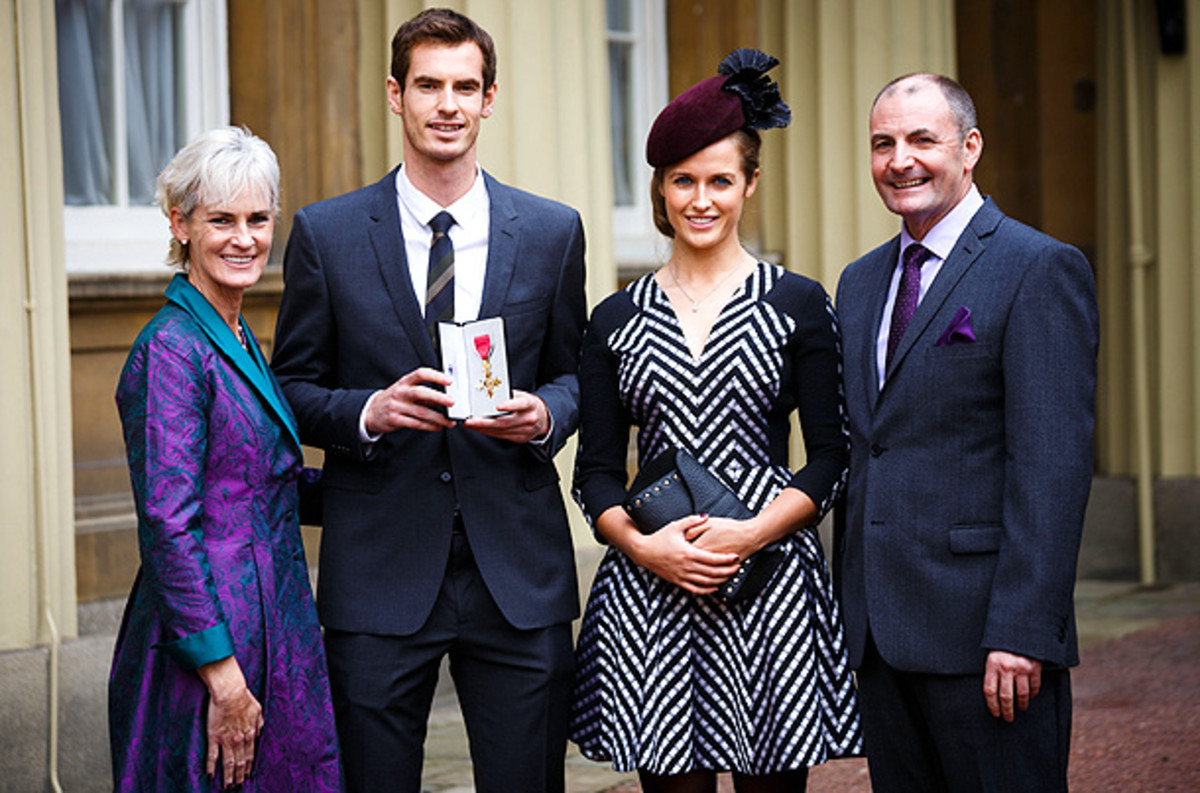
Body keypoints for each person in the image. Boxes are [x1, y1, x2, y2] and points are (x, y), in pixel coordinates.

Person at [269, 8, 586, 793]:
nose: (447, 104)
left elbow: (580, 376)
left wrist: (546, 415)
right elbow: (290, 390)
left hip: (516, 571)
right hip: (377, 570)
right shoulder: (327, 232)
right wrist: (366, 413)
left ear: (489, 99)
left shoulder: (551, 230)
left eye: (464, 87)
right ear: (395, 94)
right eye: (429, 85)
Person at [570, 50, 863, 793]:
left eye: (720, 181)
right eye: (683, 181)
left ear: (750, 184)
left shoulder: (796, 302)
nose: (701, 200)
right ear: (660, 191)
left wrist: (752, 532)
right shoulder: (614, 318)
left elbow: (831, 455)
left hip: (770, 585)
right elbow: (596, 472)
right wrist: (643, 545)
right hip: (652, 591)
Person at [834, 73, 1100, 793]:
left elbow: (1052, 465)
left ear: (970, 146)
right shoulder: (859, 283)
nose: (900, 159)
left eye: (923, 139)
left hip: (987, 639)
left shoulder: (1037, 267)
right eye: (883, 142)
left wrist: (1022, 629)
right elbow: (871, 446)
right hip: (883, 638)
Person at [110, 126, 343, 791]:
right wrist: (222, 673)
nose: (244, 238)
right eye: (221, 220)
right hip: (207, 647)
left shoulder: (236, 333)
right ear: (180, 223)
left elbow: (266, 483)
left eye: (257, 219)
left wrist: (393, 469)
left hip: (277, 622)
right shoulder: (173, 350)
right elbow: (167, 522)